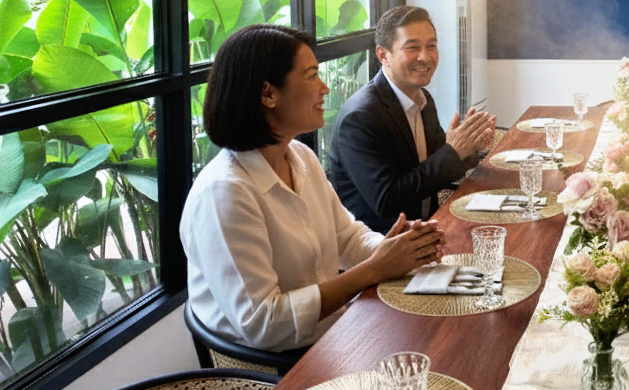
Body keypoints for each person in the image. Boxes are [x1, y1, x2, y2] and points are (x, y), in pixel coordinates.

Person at [180, 24, 444, 353]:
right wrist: (373, 270)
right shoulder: (225, 193)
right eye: (311, 76)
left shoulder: (300, 156)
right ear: (267, 94)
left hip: (334, 333)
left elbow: (347, 237)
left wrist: (401, 251)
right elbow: (264, 325)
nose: (324, 87)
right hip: (282, 365)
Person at [328, 5, 496, 233]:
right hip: (381, 247)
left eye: (431, 46)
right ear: (383, 55)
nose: (425, 57)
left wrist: (469, 150)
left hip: (426, 229)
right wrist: (453, 152)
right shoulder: (361, 117)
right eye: (412, 48)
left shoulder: (422, 98)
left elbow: (436, 169)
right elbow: (388, 201)